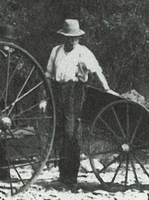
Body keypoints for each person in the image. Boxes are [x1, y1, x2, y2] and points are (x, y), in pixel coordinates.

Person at [44, 19, 114, 187]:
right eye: (70, 38)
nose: (73, 41)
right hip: (57, 92)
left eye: (75, 38)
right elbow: (48, 76)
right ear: (64, 37)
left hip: (74, 92)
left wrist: (107, 89)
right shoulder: (56, 51)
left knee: (71, 132)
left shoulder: (83, 52)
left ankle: (71, 176)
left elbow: (96, 70)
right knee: (60, 132)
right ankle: (63, 175)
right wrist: (43, 98)